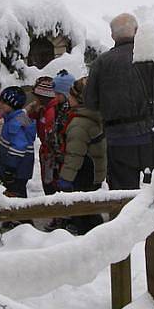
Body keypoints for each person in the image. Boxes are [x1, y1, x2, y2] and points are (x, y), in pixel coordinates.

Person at [85, 13, 154, 190]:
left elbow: (90, 102)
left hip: (119, 139)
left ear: (112, 35)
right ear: (137, 32)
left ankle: (125, 217)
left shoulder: (101, 63)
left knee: (123, 197)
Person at [57, 77, 106, 234]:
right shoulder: (93, 116)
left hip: (83, 174)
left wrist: (66, 178)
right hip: (93, 173)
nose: (68, 98)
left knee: (82, 211)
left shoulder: (79, 124)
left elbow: (74, 154)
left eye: (71, 96)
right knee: (90, 209)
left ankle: (88, 237)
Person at [0, 86, 36, 198]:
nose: (0, 104)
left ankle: (21, 214)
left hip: (16, 172)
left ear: (12, 105)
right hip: (15, 170)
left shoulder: (15, 124)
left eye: (4, 102)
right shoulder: (18, 117)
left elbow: (19, 146)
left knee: (15, 197)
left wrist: (10, 170)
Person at [25, 76, 59, 195]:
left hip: (51, 155)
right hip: (46, 153)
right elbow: (22, 123)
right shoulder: (41, 109)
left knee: (50, 184)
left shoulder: (50, 112)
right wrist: (29, 111)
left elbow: (51, 137)